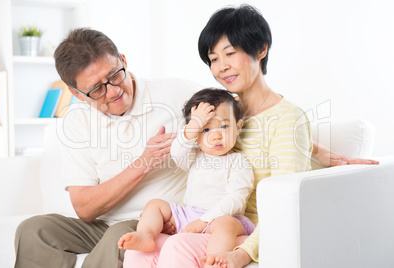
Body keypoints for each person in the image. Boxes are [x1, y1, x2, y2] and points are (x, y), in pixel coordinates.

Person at [123, 4, 378, 268]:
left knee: (177, 246)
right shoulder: (221, 112)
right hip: (202, 220)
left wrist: (243, 252)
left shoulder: (289, 120)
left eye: (229, 53)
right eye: (213, 59)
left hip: (241, 231)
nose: (221, 67)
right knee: (137, 253)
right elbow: (190, 150)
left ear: (261, 49)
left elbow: (284, 206)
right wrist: (319, 151)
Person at [14, 28, 202, 268]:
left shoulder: (176, 93)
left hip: (155, 222)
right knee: (33, 230)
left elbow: (234, 112)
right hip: (100, 226)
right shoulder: (76, 121)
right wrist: (144, 163)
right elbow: (84, 208)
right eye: (97, 89)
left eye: (115, 75)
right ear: (77, 94)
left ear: (123, 60)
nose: (114, 91)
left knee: (119, 237)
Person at [118, 88, 255, 256]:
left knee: (225, 224)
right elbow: (177, 151)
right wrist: (193, 126)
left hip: (222, 218)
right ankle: (146, 235)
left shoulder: (238, 162)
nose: (216, 136)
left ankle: (213, 260)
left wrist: (204, 221)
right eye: (206, 130)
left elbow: (236, 199)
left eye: (224, 126)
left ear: (239, 127)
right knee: (155, 204)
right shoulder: (194, 157)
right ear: (195, 136)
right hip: (190, 215)